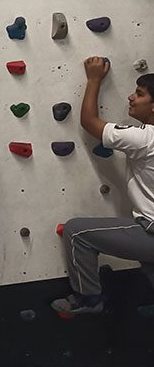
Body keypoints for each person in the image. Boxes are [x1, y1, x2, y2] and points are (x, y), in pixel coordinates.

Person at [51, 58, 154, 315]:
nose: (131, 97)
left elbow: (89, 122)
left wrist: (94, 79)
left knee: (76, 231)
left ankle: (88, 299)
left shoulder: (145, 138)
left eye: (140, 94)